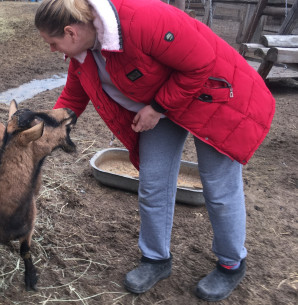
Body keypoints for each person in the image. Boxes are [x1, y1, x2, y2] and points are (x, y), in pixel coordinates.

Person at [34, 0, 275, 301]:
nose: (52, 50)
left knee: (218, 185)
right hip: (161, 104)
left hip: (214, 94)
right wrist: (45, 130)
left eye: (52, 43)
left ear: (70, 32)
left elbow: (201, 62)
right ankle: (156, 260)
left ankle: (231, 263)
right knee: (153, 181)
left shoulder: (141, 20)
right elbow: (73, 95)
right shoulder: (84, 53)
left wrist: (157, 108)